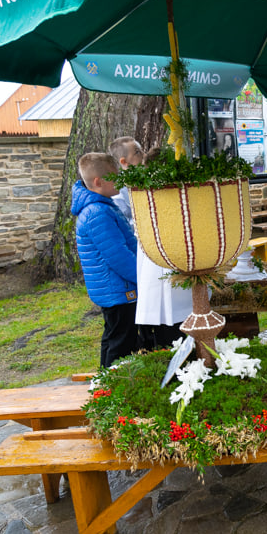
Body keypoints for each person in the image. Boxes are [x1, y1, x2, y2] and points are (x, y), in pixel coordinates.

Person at [108, 141, 192, 351]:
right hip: (155, 261)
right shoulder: (127, 193)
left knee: (168, 321)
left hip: (162, 264)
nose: (142, 154)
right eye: (137, 152)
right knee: (164, 325)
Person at [71, 153, 139, 368]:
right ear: (98, 182)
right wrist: (143, 278)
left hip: (116, 288)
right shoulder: (97, 212)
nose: (121, 181)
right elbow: (118, 256)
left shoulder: (102, 206)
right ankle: (112, 387)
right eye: (115, 177)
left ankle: (106, 383)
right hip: (118, 290)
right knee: (121, 342)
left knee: (115, 337)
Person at [107, 137, 144, 225]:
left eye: (141, 150)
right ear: (124, 161)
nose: (144, 155)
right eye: (137, 152)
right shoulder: (119, 192)